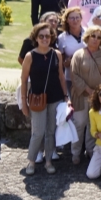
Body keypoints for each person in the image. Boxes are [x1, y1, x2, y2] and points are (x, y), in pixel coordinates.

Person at [21, 22, 68, 175]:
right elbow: (24, 80)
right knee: (38, 132)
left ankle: (48, 161)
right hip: (37, 99)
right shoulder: (30, 56)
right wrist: (24, 103)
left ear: (51, 37)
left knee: (50, 131)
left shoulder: (57, 54)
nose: (45, 39)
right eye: (41, 36)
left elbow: (61, 77)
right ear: (36, 37)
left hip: (55, 98)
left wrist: (66, 96)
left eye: (47, 36)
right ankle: (31, 161)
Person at [70, 25, 101, 164]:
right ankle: (76, 152)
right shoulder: (78, 54)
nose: (95, 39)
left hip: (99, 98)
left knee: (93, 124)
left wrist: (99, 92)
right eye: (93, 36)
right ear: (87, 37)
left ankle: (90, 151)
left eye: (99, 37)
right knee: (80, 123)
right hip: (81, 95)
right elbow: (74, 75)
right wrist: (88, 90)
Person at [58, 7, 86, 96]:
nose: (75, 20)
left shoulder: (88, 32)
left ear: (81, 19)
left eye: (77, 17)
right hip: (70, 77)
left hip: (88, 75)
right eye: (72, 18)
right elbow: (61, 62)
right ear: (67, 20)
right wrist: (67, 62)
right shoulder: (62, 38)